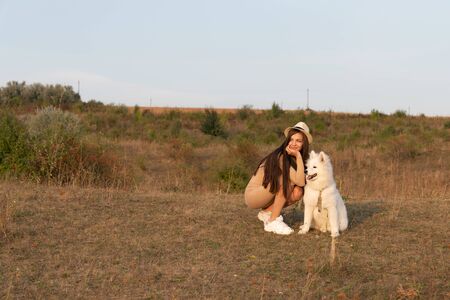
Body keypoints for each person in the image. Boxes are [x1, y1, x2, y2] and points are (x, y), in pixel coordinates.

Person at [244, 121, 312, 235]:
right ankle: (272, 221)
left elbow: (301, 183)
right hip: (253, 195)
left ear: (304, 144)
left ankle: (267, 213)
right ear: (287, 140)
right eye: (291, 139)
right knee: (288, 180)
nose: (294, 143)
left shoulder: (297, 159)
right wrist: (298, 156)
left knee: (298, 191)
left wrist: (298, 158)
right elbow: (299, 180)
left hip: (268, 193)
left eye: (299, 141)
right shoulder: (281, 157)